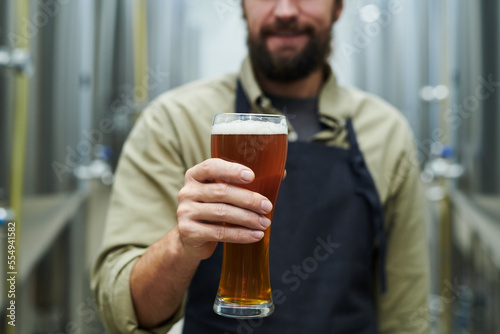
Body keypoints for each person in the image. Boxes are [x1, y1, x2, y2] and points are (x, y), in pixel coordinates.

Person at [92, 0, 430, 333]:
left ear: (338, 7)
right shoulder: (174, 122)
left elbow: (406, 310)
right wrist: (180, 246)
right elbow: (124, 310)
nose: (284, 11)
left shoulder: (388, 132)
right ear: (242, 5)